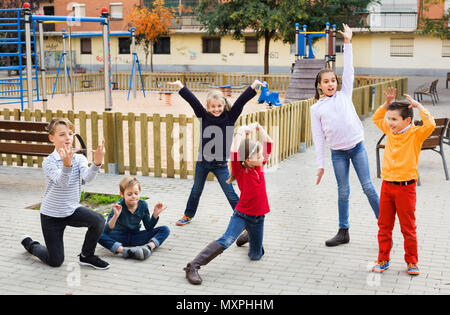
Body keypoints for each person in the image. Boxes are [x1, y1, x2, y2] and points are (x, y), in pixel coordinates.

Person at [310, 24, 379, 246]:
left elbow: (348, 70)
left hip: (357, 147)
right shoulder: (316, 109)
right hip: (337, 153)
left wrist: (348, 43)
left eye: (333, 80)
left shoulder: (345, 94)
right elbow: (318, 139)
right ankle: (343, 231)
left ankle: (384, 224)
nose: (331, 84)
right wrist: (320, 165)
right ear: (319, 86)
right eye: (326, 82)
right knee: (343, 192)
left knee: (368, 187)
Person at [183, 122, 273, 285]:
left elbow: (269, 143)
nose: (262, 158)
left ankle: (247, 236)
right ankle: (193, 266)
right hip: (242, 216)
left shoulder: (258, 168)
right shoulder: (241, 170)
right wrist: (239, 132)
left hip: (259, 218)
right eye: (258, 156)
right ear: (247, 159)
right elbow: (233, 152)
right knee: (226, 240)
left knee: (256, 256)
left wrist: (261, 130)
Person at [167, 79, 266, 226]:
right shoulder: (203, 116)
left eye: (219, 106)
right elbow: (192, 101)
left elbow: (241, 102)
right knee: (196, 190)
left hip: (221, 165)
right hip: (202, 162)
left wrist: (253, 86)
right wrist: (181, 86)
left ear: (223, 105)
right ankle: (188, 215)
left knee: (230, 193)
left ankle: (244, 218)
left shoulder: (230, 117)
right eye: (213, 107)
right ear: (208, 107)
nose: (216, 109)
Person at [21, 118, 109, 270]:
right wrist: (66, 165)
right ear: (52, 138)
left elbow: (87, 178)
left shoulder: (79, 158)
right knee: (55, 261)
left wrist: (97, 162)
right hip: (51, 216)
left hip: (71, 210)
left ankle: (87, 256)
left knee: (99, 220)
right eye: (62, 134)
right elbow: (62, 182)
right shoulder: (49, 162)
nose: (67, 137)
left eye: (70, 133)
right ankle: (31, 244)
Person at [371, 88, 435, 276]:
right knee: (384, 226)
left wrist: (419, 106)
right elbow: (376, 119)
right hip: (387, 187)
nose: (389, 123)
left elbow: (430, 124)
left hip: (406, 189)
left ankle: (412, 261)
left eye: (394, 119)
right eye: (389, 119)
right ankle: (383, 259)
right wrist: (386, 104)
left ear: (407, 120)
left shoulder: (415, 133)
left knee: (408, 228)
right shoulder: (390, 131)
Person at [98, 176, 170, 260]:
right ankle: (126, 251)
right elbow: (107, 230)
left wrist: (155, 215)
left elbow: (149, 227)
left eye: (136, 193)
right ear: (122, 194)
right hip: (119, 237)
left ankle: (148, 248)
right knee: (97, 233)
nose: (133, 196)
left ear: (139, 193)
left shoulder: (143, 205)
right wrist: (115, 216)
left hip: (136, 236)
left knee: (165, 229)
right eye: (129, 194)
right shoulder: (118, 205)